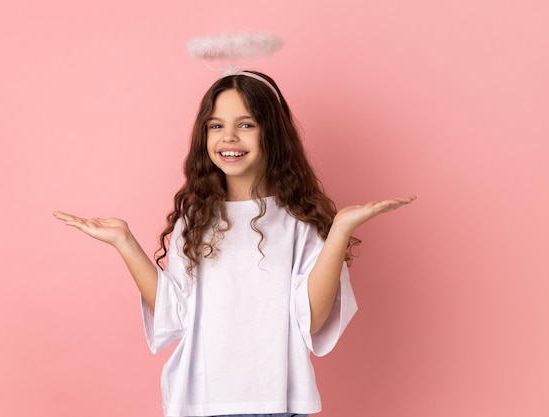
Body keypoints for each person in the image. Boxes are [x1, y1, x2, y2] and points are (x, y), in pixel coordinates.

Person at [53, 71, 415, 417]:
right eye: (216, 126)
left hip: (277, 402)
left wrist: (338, 231)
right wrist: (124, 242)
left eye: (245, 125)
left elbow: (313, 319)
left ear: (270, 134)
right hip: (197, 402)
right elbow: (174, 315)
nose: (228, 138)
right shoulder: (192, 222)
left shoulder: (299, 223)